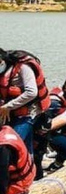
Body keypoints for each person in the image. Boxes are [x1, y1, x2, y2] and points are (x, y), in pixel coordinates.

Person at [0, 49, 50, 179]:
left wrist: (8, 106)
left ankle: (19, 180)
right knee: (26, 147)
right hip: (12, 113)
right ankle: (33, 177)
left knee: (11, 146)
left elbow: (31, 92)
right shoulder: (5, 71)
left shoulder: (23, 67)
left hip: (28, 113)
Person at [0, 125, 34, 194]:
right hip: (24, 174)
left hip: (17, 185)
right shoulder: (5, 130)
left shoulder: (3, 147)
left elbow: (2, 176)